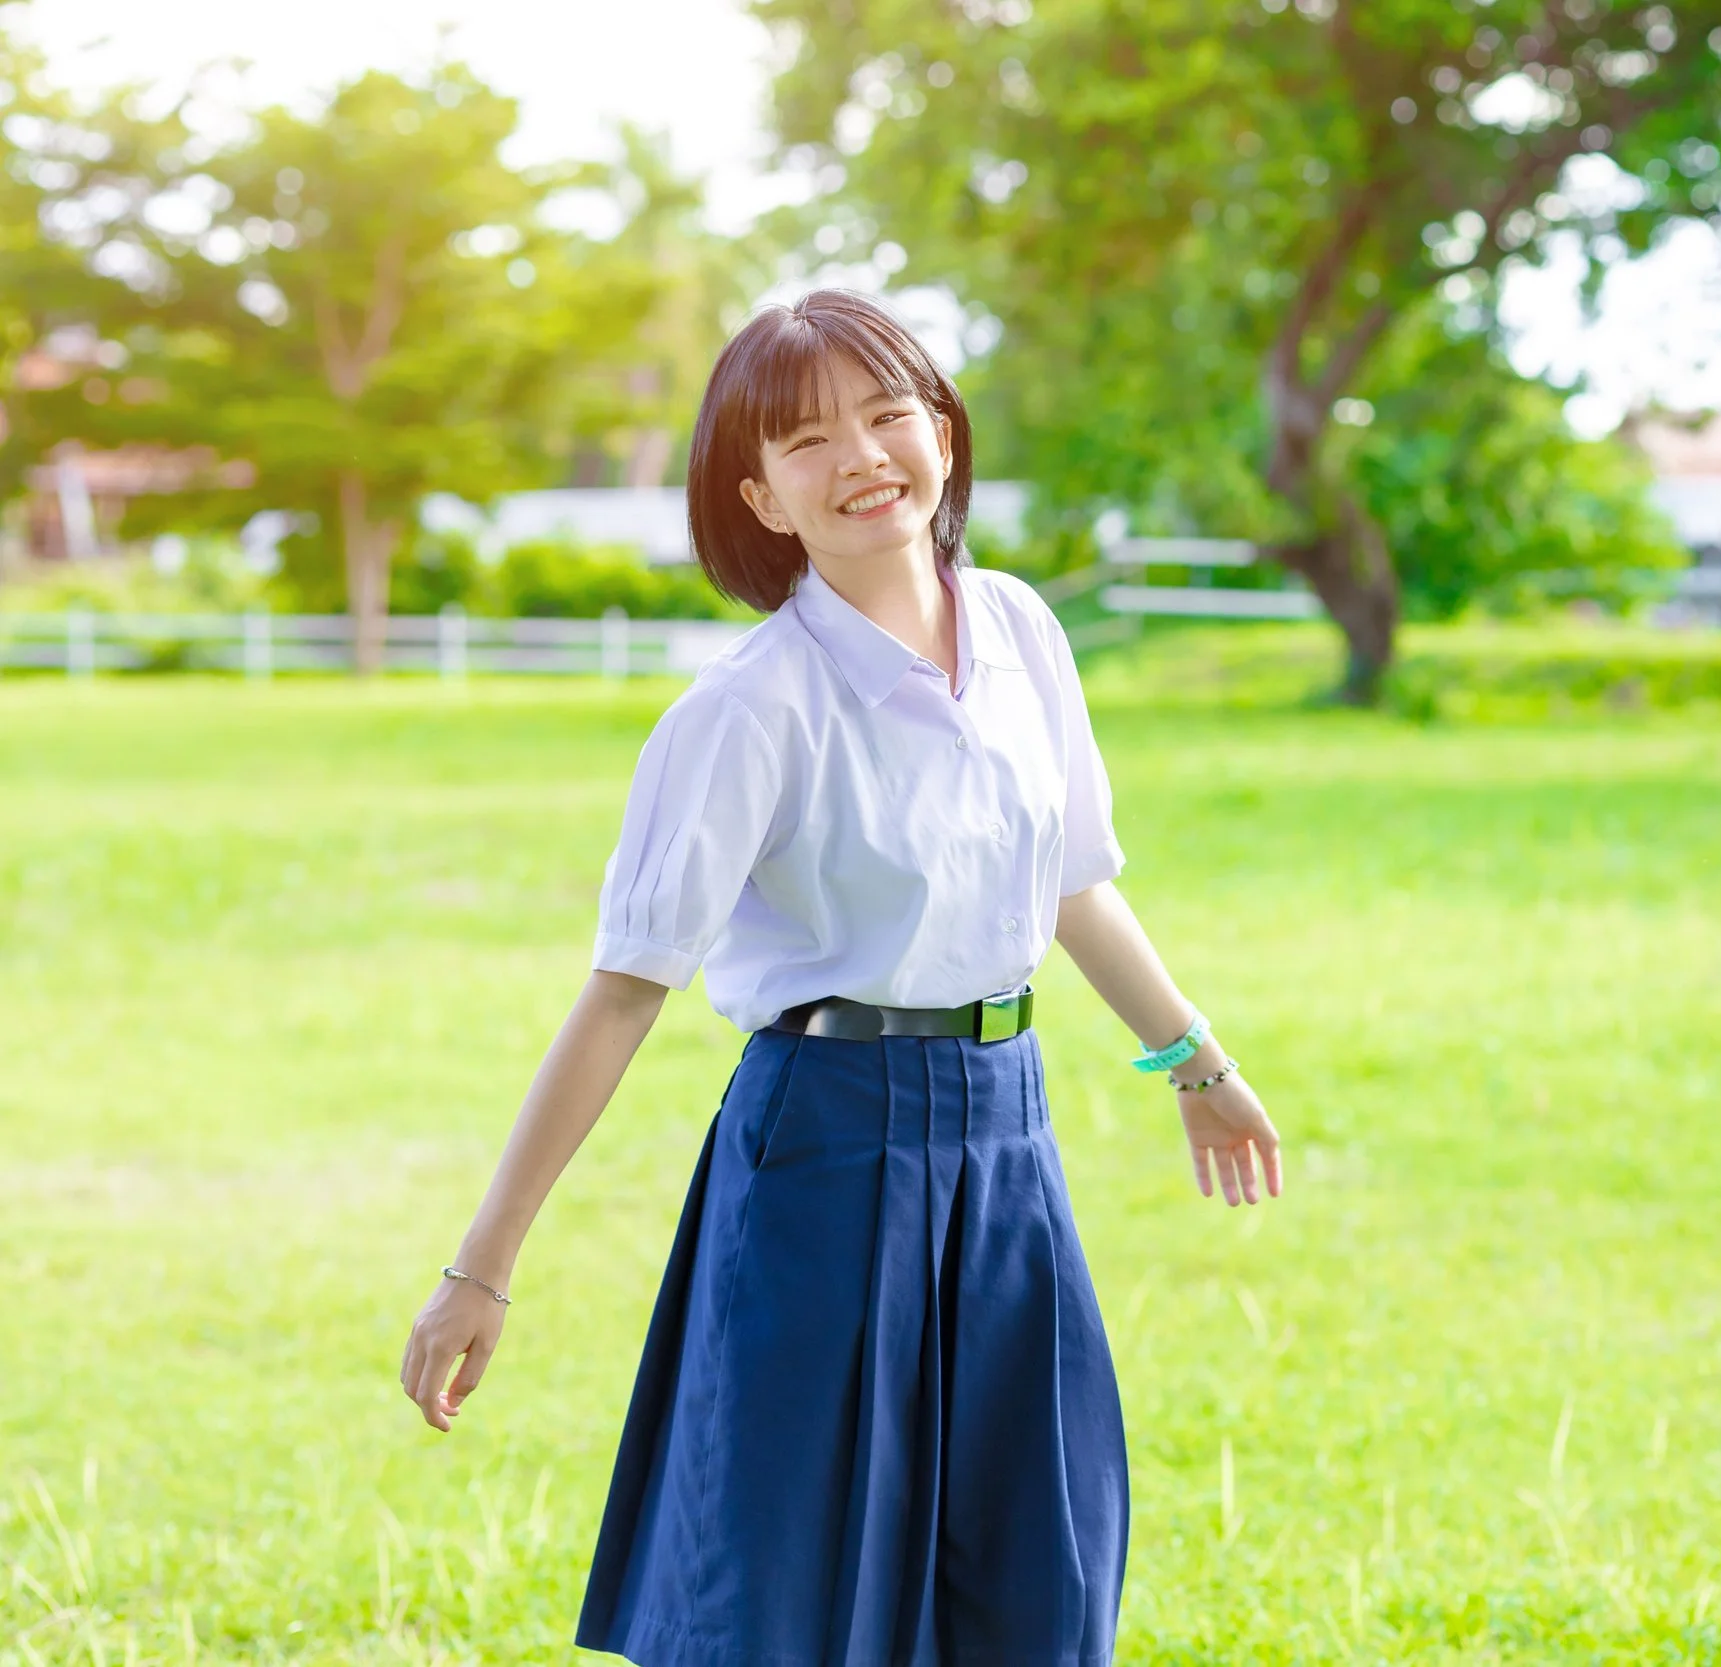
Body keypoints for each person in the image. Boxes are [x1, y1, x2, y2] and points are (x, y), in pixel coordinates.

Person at [396, 288, 1284, 1667]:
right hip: (823, 1139)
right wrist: (482, 1265)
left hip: (1006, 1129)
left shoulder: (1023, 632)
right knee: (797, 1581)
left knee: (1032, 1550)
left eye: (889, 412)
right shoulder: (747, 709)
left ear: (942, 427)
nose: (863, 455)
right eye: (809, 440)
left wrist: (1198, 1064)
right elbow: (625, 990)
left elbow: (1070, 880)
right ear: (758, 493)